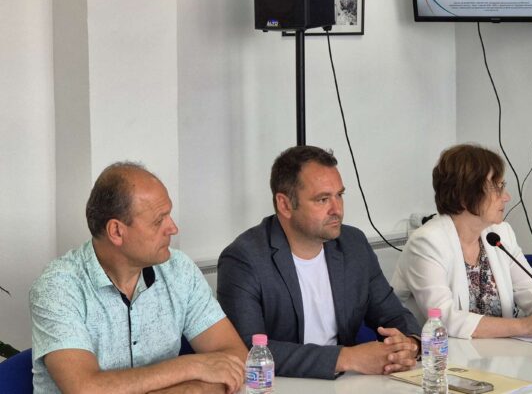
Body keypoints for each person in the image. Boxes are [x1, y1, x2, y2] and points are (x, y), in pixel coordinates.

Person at [29, 162, 247, 394]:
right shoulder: (57, 287)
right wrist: (192, 366)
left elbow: (237, 358)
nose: (173, 228)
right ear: (116, 231)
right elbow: (86, 388)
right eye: (158, 221)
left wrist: (192, 390)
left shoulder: (178, 269)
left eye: (169, 215)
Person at [217, 146, 421, 379]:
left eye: (339, 195)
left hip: (345, 383)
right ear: (285, 205)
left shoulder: (353, 244)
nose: (337, 209)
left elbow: (393, 314)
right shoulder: (243, 259)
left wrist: (410, 344)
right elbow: (246, 350)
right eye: (323, 199)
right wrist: (346, 357)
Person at [391, 144, 532, 340]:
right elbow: (444, 318)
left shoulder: (500, 233)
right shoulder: (426, 242)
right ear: (465, 195)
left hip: (494, 352)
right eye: (497, 188)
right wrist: (525, 325)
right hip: (438, 354)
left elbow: (529, 289)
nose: (506, 197)